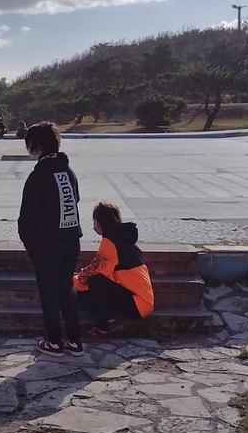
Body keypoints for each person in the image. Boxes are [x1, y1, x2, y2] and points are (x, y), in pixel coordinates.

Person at [18, 121, 84, 356]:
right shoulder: (68, 172)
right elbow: (73, 203)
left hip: (47, 246)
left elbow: (26, 218)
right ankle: (74, 340)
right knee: (65, 291)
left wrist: (31, 246)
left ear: (36, 146)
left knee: (49, 293)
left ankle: (54, 341)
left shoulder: (39, 176)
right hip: (70, 241)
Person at [74, 202, 154, 337]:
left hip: (136, 303)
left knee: (94, 282)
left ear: (99, 222)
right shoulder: (123, 238)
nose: (93, 226)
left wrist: (77, 281)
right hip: (141, 301)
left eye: (94, 221)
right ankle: (109, 320)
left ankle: (103, 329)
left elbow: (97, 270)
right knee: (86, 289)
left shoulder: (110, 241)